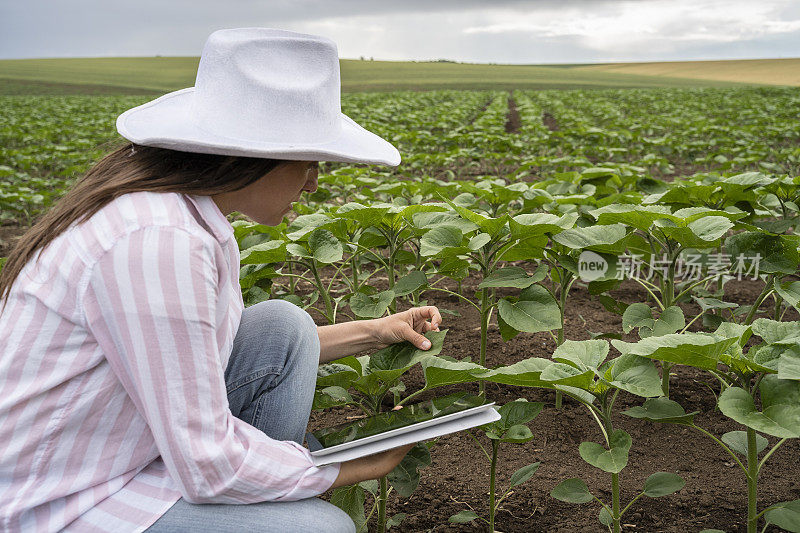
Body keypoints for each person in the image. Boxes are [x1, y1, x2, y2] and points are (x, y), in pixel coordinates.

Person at [0, 28, 442, 532]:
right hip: (59, 497)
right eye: (310, 159)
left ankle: (258, 501)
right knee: (319, 528)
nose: (315, 180)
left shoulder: (183, 213)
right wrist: (347, 466)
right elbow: (207, 463)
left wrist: (376, 332)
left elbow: (190, 354)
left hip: (111, 444)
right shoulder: (156, 241)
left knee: (282, 328)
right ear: (252, 155)